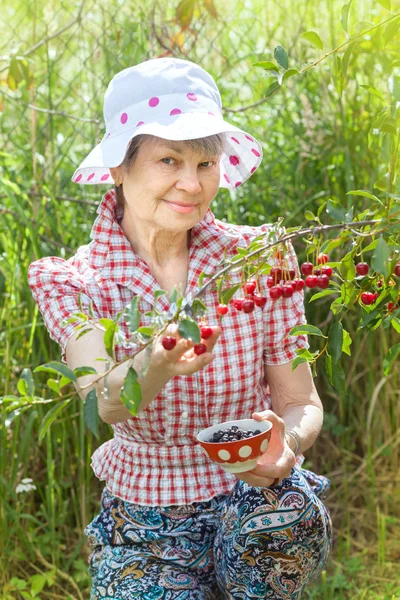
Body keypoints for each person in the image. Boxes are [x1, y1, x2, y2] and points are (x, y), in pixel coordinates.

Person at [28, 58, 332, 600]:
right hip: (146, 516)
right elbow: (104, 401)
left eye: (206, 163)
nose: (192, 184)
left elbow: (300, 399)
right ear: (119, 168)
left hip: (254, 495)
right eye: (169, 159)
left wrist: (288, 445)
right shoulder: (75, 283)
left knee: (284, 514)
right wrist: (159, 361)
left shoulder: (258, 258)